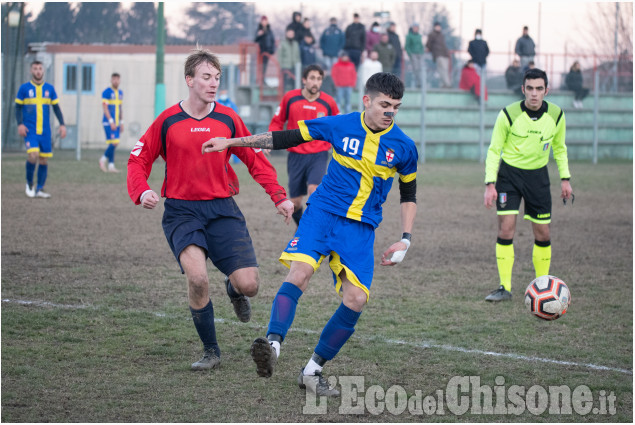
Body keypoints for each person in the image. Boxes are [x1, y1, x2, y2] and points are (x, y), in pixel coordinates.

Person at [201, 72, 418, 397]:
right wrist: (232, 142)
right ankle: (272, 347)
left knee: (357, 299)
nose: (390, 112)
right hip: (322, 214)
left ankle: (312, 371)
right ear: (367, 100)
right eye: (385, 105)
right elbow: (283, 137)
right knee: (300, 273)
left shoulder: (404, 147)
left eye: (396, 107)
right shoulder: (339, 125)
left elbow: (409, 193)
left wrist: (406, 238)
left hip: (360, 228)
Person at [127, 48, 294, 370]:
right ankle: (211, 351)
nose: (213, 83)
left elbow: (254, 159)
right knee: (198, 279)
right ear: (189, 80)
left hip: (222, 210)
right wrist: (142, 190)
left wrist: (279, 196)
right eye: (206, 77)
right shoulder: (167, 121)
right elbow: (138, 159)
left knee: (250, 286)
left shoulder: (228, 118)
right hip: (181, 212)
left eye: (217, 77)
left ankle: (233, 289)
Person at [483, 68, 573, 302]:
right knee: (505, 229)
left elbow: (560, 148)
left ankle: (543, 286)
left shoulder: (556, 115)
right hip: (509, 176)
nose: (534, 94)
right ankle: (504, 287)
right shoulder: (508, 114)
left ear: (546, 90)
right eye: (530, 89)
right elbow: (494, 150)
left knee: (542, 233)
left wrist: (565, 179)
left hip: (538, 178)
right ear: (523, 89)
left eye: (539, 89)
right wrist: (490, 183)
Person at [268, 64, 339, 226]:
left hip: (318, 155)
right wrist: (269, 141)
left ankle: (311, 232)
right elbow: (277, 122)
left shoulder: (328, 102)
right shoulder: (290, 98)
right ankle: (302, 229)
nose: (316, 82)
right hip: (296, 156)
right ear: (304, 80)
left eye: (319, 79)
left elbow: (337, 127)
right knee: (296, 202)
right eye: (312, 78)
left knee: (314, 191)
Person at [15, 60, 67, 198]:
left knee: (44, 160)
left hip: (45, 131)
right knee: (33, 155)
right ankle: (29, 184)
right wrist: (20, 124)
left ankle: (40, 189)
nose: (38, 71)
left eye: (40, 68)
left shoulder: (49, 89)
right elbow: (17, 107)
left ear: (43, 71)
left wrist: (62, 124)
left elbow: (56, 108)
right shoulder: (24, 88)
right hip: (30, 130)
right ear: (31, 71)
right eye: (35, 69)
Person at [99, 72, 124, 173]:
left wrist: (121, 122)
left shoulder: (121, 93)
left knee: (114, 143)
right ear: (111, 80)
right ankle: (102, 160)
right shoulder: (106, 92)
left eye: (117, 79)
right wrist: (111, 121)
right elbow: (105, 107)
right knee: (114, 142)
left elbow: (120, 108)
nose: (116, 81)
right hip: (108, 123)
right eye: (114, 79)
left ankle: (111, 166)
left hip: (117, 123)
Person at [426, 22, 452, 88]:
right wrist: (433, 50)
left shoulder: (441, 35)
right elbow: (428, 44)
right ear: (434, 27)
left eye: (439, 26)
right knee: (442, 69)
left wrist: (447, 53)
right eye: (437, 26)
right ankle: (447, 84)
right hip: (438, 54)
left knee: (444, 70)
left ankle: (444, 84)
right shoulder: (432, 34)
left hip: (445, 54)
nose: (438, 28)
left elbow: (444, 45)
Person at [255, 15, 275, 85]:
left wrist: (272, 50)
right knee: (261, 66)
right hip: (261, 51)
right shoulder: (259, 29)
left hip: (268, 50)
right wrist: (259, 35)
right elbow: (255, 40)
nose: (264, 22)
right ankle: (260, 80)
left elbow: (272, 40)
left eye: (265, 21)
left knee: (265, 66)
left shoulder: (269, 30)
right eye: (263, 21)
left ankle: (263, 79)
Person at [405, 23, 424, 88]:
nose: (416, 29)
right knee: (415, 69)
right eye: (415, 27)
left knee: (421, 68)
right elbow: (407, 46)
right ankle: (418, 83)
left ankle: (421, 82)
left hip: (419, 54)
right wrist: (410, 54)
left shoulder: (419, 36)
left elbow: (421, 45)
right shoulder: (409, 36)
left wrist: (422, 52)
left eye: (417, 28)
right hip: (413, 54)